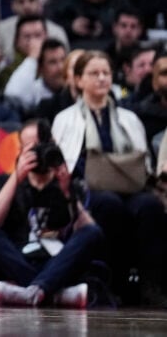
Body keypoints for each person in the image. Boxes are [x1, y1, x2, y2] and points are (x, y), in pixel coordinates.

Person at [51, 50, 167, 307]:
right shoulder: (66, 118)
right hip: (87, 190)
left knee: (150, 207)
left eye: (106, 73)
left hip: (128, 186)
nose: (102, 78)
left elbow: (143, 161)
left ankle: (151, 285)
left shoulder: (129, 118)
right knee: (108, 205)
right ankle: (111, 283)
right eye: (94, 73)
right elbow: (65, 165)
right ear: (79, 80)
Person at [0, 120, 101, 308]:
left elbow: (87, 231)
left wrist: (67, 192)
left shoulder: (70, 182)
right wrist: (16, 177)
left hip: (59, 263)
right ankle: (53, 293)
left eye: (44, 146)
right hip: (19, 260)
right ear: (21, 150)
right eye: (33, 147)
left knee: (93, 232)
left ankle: (28, 291)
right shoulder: (8, 182)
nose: (40, 153)